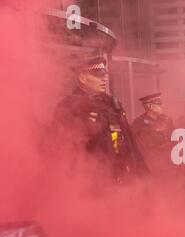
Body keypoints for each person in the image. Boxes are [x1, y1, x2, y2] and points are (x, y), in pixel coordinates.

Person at [52, 55, 148, 184]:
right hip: (90, 184)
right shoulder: (70, 107)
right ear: (82, 78)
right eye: (98, 75)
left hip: (121, 181)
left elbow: (130, 143)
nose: (104, 79)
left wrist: (143, 174)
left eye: (104, 75)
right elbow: (62, 149)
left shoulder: (112, 104)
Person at [131, 93, 174, 176]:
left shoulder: (167, 120)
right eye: (159, 104)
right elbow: (134, 144)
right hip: (150, 163)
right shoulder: (138, 123)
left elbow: (174, 139)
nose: (162, 106)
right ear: (149, 106)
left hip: (167, 162)